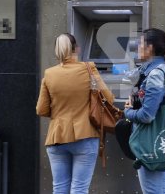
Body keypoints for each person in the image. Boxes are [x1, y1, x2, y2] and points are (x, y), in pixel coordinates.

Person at [36, 33, 114, 194]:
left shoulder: (49, 73)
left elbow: (41, 109)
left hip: (57, 137)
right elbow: (109, 98)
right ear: (76, 49)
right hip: (85, 136)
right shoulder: (88, 69)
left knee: (59, 188)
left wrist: (60, 110)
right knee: (79, 188)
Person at [123, 28, 165, 194]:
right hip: (158, 139)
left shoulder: (155, 75)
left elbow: (147, 115)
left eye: (140, 44)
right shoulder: (163, 71)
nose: (137, 48)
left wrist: (128, 112)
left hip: (150, 142)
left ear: (150, 48)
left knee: (153, 191)